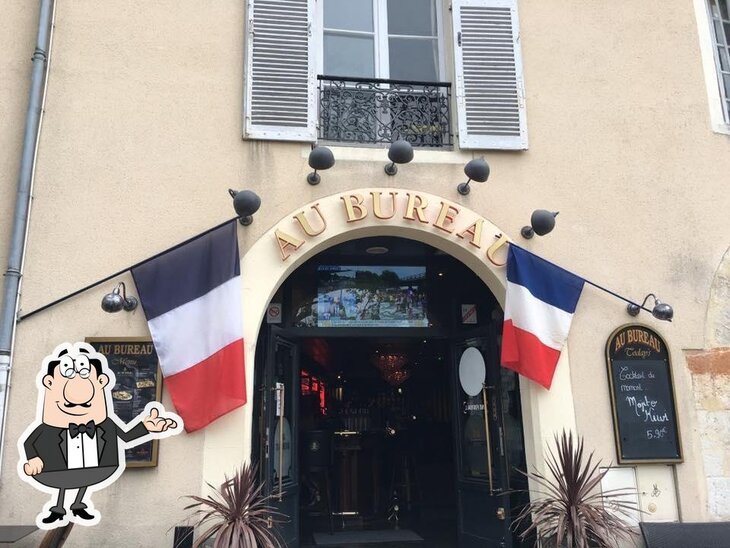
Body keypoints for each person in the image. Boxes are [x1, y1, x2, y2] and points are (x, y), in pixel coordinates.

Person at [19, 342, 180, 527]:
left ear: (101, 382)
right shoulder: (48, 429)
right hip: (56, 470)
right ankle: (58, 509)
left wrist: (147, 427)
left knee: (83, 479)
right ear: (49, 384)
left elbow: (126, 437)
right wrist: (33, 459)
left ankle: (78, 504)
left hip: (95, 468)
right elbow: (29, 443)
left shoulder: (105, 424)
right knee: (65, 482)